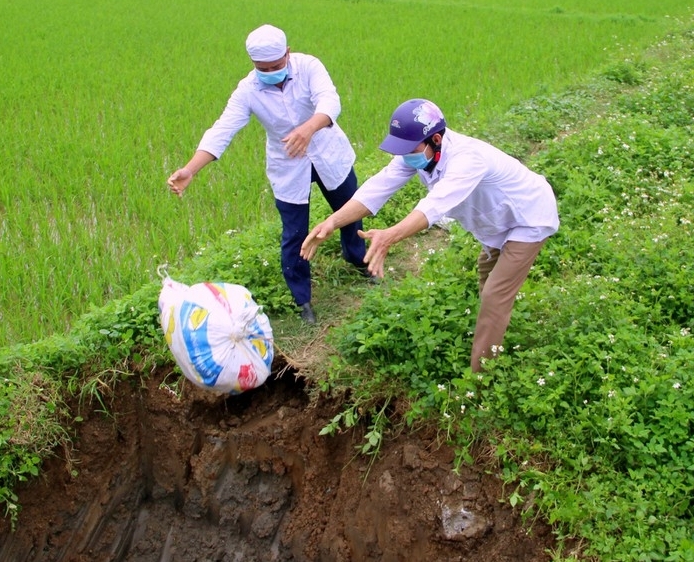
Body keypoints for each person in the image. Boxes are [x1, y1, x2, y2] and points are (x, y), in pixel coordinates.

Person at [301, 99, 559, 371]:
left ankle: (481, 377)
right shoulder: (421, 154)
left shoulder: (467, 158)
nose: (404, 156)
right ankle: (495, 331)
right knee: (488, 278)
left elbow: (434, 205)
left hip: (528, 217)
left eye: (409, 149)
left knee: (496, 293)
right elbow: (378, 187)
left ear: (435, 139)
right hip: (496, 221)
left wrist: (390, 236)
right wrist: (332, 221)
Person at [167, 24, 369, 325]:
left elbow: (330, 100)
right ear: (253, 64)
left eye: (276, 65)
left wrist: (308, 128)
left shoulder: (308, 66)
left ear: (288, 53)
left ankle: (357, 259)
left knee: (349, 211)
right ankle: (303, 300)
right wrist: (190, 169)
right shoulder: (248, 89)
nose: (271, 71)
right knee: (294, 234)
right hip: (288, 164)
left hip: (328, 152)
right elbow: (223, 129)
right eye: (263, 68)